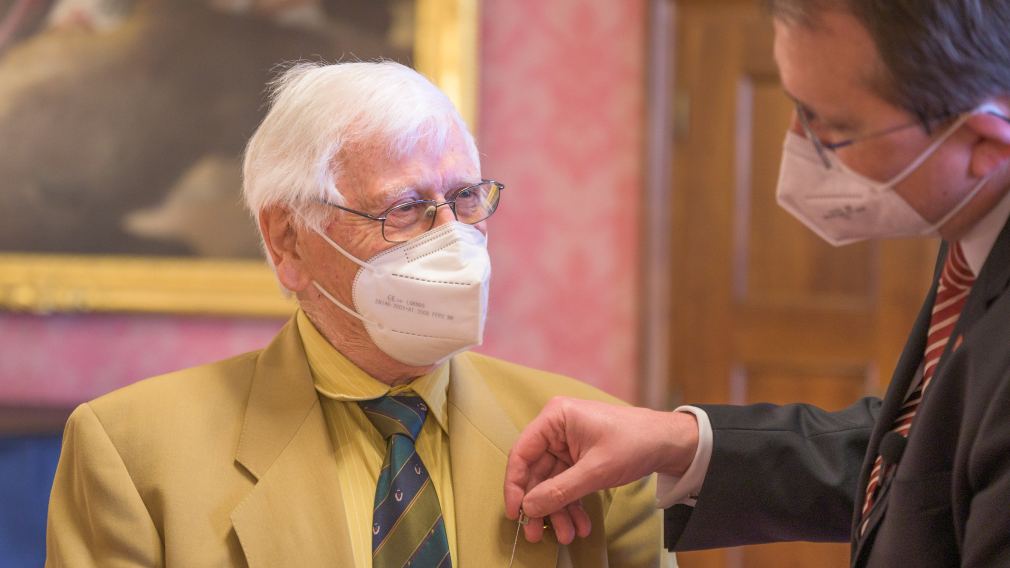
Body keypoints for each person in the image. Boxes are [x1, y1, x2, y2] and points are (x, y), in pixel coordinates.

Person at [45, 61, 664, 567]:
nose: (452, 238)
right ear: (288, 240)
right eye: (405, 206)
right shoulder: (132, 453)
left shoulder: (596, 448)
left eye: (465, 198)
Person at [504, 2, 1010, 566]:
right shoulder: (972, 214)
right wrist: (679, 441)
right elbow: (922, 456)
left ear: (983, 147)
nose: (795, 143)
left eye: (832, 127)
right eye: (797, 106)